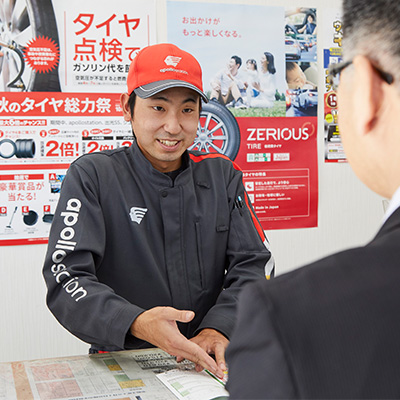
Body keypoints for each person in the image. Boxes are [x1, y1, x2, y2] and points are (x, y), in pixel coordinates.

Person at [42, 43, 274, 380]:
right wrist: (136, 322)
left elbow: (255, 264)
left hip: (209, 360)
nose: (173, 126)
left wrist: (219, 328)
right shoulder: (94, 175)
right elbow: (67, 277)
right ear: (128, 108)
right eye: (158, 108)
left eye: (187, 110)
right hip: (124, 360)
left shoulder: (222, 176)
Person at [226, 0, 400, 398]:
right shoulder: (96, 175)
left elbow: (250, 259)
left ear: (370, 88)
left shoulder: (293, 320)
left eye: (339, 74)